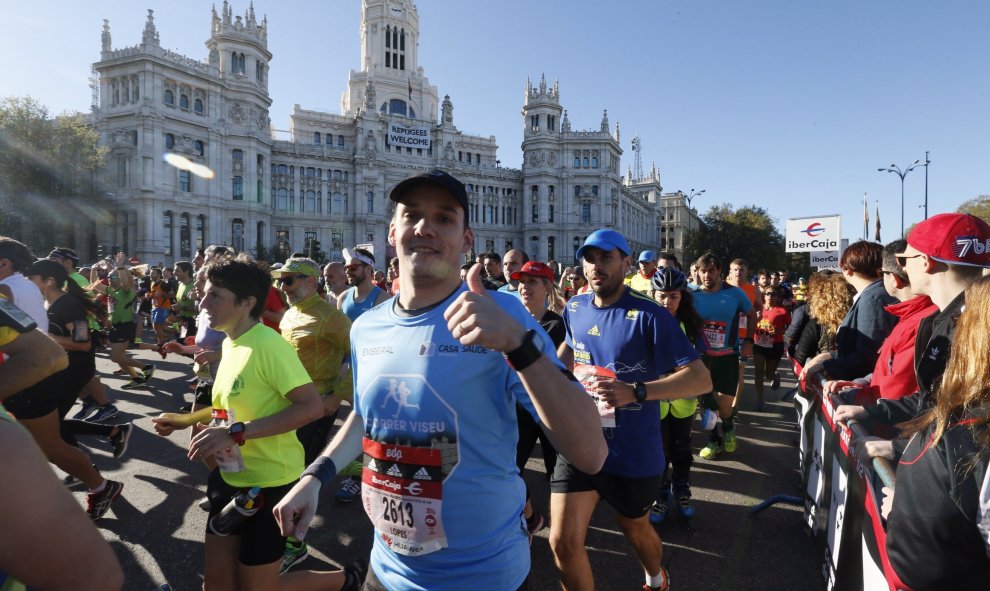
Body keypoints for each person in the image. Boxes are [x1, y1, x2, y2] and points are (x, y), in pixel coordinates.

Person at [273, 169, 607, 591]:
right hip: (386, 570)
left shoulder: (502, 314)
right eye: (411, 215)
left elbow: (590, 453)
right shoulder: (366, 327)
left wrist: (515, 343)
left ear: (467, 240)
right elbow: (366, 417)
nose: (424, 227)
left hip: (483, 578)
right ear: (392, 233)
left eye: (444, 218)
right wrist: (315, 477)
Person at [152, 256, 364, 591]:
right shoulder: (231, 343)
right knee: (218, 583)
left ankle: (347, 579)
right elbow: (228, 409)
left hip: (269, 486)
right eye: (204, 293)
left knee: (258, 588)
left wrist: (236, 433)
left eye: (214, 295)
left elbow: (309, 408)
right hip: (230, 477)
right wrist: (185, 419)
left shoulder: (269, 346)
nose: (202, 302)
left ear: (247, 303)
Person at [554, 230, 711, 591]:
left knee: (635, 530)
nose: (596, 266)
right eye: (589, 258)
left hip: (631, 450)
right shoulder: (575, 307)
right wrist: (540, 375)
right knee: (561, 542)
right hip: (580, 441)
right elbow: (568, 348)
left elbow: (700, 379)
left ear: (627, 263)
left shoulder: (650, 315)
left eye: (606, 258)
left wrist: (636, 391)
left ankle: (656, 578)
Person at [834, 213, 990, 459]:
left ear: (925, 262)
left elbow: (970, 426)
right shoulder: (940, 319)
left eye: (904, 259)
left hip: (948, 484)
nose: (902, 269)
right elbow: (931, 400)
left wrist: (901, 453)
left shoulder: (975, 326)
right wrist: (872, 412)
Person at [884, 274, 990, 589]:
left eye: (963, 319)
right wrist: (905, 511)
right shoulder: (961, 410)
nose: (956, 326)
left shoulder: (973, 422)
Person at [5, 261, 125, 520]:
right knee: (49, 436)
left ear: (48, 281)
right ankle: (96, 463)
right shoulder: (48, 304)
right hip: (53, 368)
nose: (27, 283)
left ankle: (93, 474)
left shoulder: (68, 304)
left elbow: (83, 344)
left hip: (73, 369)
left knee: (51, 437)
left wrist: (40, 337)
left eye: (31, 278)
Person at [273, 257, 353, 573]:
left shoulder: (333, 318)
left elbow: (362, 359)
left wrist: (337, 396)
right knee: (287, 467)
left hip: (317, 406)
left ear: (310, 281)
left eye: (289, 280)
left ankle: (294, 546)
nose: (282, 287)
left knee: (298, 475)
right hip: (286, 405)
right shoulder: (291, 313)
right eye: (280, 280)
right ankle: (350, 462)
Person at [822, 239, 938, 405]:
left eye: (883, 273)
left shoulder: (876, 299)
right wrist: (861, 384)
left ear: (894, 278)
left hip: (885, 420)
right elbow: (884, 369)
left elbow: (896, 383)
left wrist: (865, 406)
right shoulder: (907, 314)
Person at [647, 267, 706, 523]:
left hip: (684, 401)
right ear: (653, 294)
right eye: (662, 296)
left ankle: (682, 489)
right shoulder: (643, 320)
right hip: (655, 400)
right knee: (659, 450)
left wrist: (709, 402)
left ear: (682, 297)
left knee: (681, 449)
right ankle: (659, 495)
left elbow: (703, 363)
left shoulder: (692, 325)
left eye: (673, 296)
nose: (667, 302)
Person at [512, 260, 565, 540]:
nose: (524, 287)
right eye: (521, 282)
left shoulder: (557, 325)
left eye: (532, 282)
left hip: (550, 410)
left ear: (546, 287)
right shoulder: (512, 320)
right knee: (511, 469)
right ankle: (529, 517)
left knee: (557, 472)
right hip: (520, 409)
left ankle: (564, 525)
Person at [801, 241, 897, 382]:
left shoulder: (872, 298)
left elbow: (866, 357)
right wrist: (829, 356)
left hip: (862, 386)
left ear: (847, 269)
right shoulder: (875, 294)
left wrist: (826, 365)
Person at [692, 253, 756, 459]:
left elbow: (752, 315)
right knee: (706, 404)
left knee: (724, 404)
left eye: (711, 270)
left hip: (727, 355)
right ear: (698, 272)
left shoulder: (735, 294)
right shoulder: (691, 294)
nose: (707, 275)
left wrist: (748, 341)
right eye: (703, 271)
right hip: (701, 356)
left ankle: (728, 426)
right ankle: (713, 439)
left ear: (720, 271)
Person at [794, 272, 854, 366]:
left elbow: (800, 357)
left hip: (826, 375)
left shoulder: (817, 324)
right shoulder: (857, 317)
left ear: (818, 298)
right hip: (856, 375)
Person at [726, 258, 763, 412]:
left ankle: (734, 405)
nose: (738, 273)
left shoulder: (753, 290)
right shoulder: (723, 288)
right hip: (726, 335)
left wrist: (758, 315)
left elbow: (760, 308)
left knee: (739, 369)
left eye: (741, 270)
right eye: (735, 269)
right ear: (730, 271)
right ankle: (724, 398)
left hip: (744, 336)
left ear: (747, 271)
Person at [752, 285, 791, 409]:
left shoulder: (782, 311)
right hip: (758, 344)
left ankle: (774, 376)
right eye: (767, 294)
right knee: (758, 373)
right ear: (764, 295)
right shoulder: (758, 309)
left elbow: (790, 327)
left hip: (775, 345)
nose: (770, 296)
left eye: (773, 294)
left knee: (768, 374)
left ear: (778, 297)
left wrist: (781, 332)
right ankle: (760, 400)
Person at [337, 247, 391, 321]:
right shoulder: (343, 297)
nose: (347, 271)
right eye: (346, 268)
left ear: (368, 269)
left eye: (353, 267)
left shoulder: (383, 299)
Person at [172, 261, 197, 339]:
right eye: (174, 270)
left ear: (186, 272)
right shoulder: (180, 284)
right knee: (179, 342)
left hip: (192, 322)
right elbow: (180, 302)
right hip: (180, 320)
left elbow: (198, 307)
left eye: (177, 270)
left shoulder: (195, 285)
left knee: (187, 346)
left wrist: (182, 308)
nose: (174, 273)